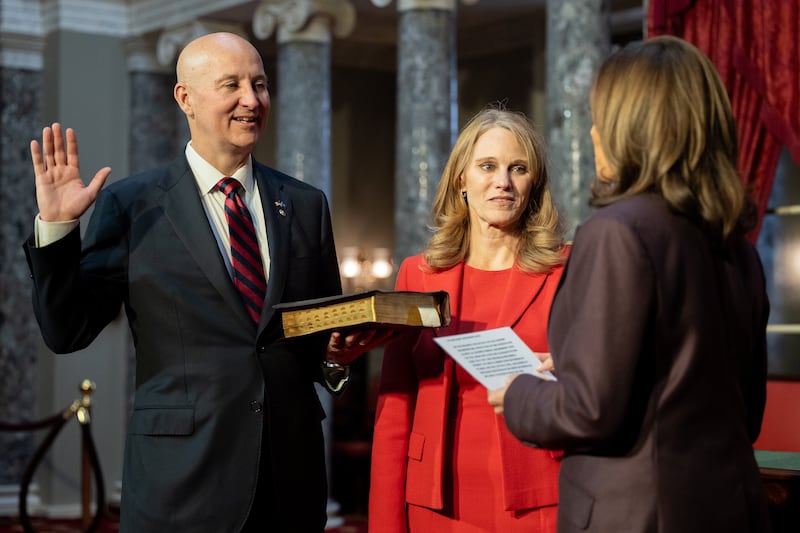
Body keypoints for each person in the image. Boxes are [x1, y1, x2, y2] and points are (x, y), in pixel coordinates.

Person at [24, 32, 380, 533]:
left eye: (259, 84)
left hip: (289, 480)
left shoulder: (304, 204)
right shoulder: (135, 205)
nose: (251, 100)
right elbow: (68, 331)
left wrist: (334, 359)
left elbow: (312, 340)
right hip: (181, 483)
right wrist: (58, 229)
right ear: (185, 98)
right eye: (231, 85)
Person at [488, 36, 772, 533]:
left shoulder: (618, 231)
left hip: (638, 513)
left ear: (630, 129)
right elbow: (739, 412)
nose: (594, 132)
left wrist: (519, 393)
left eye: (602, 116)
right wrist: (578, 366)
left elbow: (589, 412)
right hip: (730, 507)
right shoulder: (737, 247)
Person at [369, 107, 569, 532]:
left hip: (538, 500)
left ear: (534, 184)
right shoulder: (417, 274)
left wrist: (566, 372)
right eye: (488, 166)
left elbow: (604, 382)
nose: (503, 181)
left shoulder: (566, 271)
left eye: (519, 168)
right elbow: (395, 408)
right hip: (434, 503)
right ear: (462, 178)